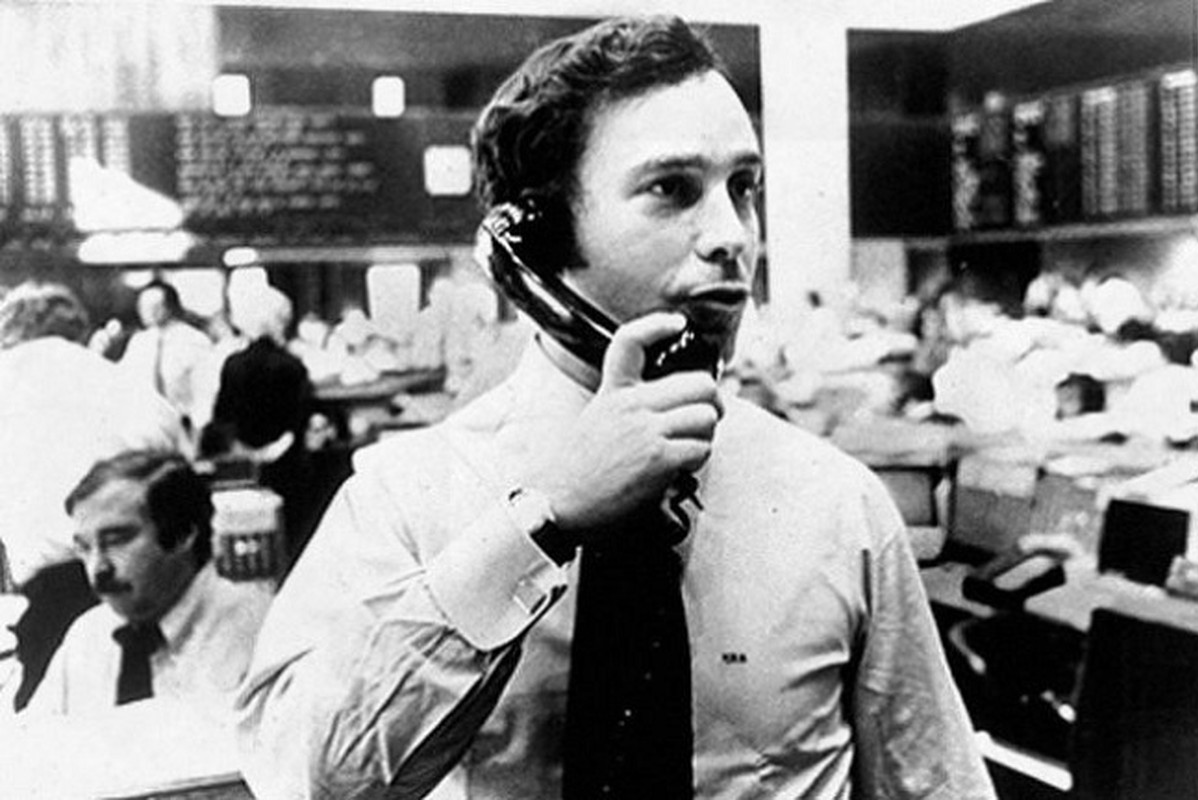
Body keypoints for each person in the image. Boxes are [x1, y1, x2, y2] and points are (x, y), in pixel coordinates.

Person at [237, 15, 994, 800]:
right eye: (672, 189)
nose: (732, 237)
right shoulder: (407, 499)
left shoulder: (837, 505)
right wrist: (538, 526)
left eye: (743, 189)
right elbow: (304, 781)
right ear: (537, 241)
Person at [0, 281, 187, 710]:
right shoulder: (117, 380)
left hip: (46, 591)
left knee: (53, 724)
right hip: (141, 575)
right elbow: (173, 452)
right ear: (78, 331)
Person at [20, 450, 272, 717]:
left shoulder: (258, 630)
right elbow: (36, 737)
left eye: (116, 540)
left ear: (182, 534)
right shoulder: (89, 635)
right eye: (84, 548)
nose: (98, 568)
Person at [205, 285, 318, 564]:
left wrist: (248, 450)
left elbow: (222, 416)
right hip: (289, 463)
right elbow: (301, 417)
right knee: (293, 537)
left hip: (243, 466)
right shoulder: (292, 365)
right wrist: (277, 448)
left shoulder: (233, 365)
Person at [120, 279, 213, 433]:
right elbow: (125, 381)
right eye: (142, 307)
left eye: (155, 307)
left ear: (170, 308)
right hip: (148, 426)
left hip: (186, 425)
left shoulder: (195, 341)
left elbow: (206, 389)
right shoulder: (139, 342)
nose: (147, 312)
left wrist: (199, 428)